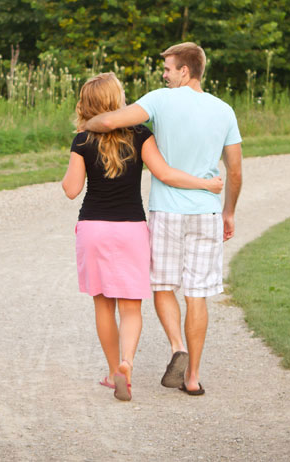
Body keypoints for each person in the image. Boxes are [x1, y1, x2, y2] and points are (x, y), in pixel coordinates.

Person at [83, 42, 243, 396]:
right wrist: (229, 212)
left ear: (185, 71)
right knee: (197, 294)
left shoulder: (159, 99)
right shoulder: (224, 110)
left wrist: (88, 123)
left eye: (169, 69)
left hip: (168, 211)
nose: (165, 75)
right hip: (207, 212)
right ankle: (193, 377)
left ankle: (176, 347)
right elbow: (234, 171)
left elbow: (110, 121)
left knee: (162, 286)